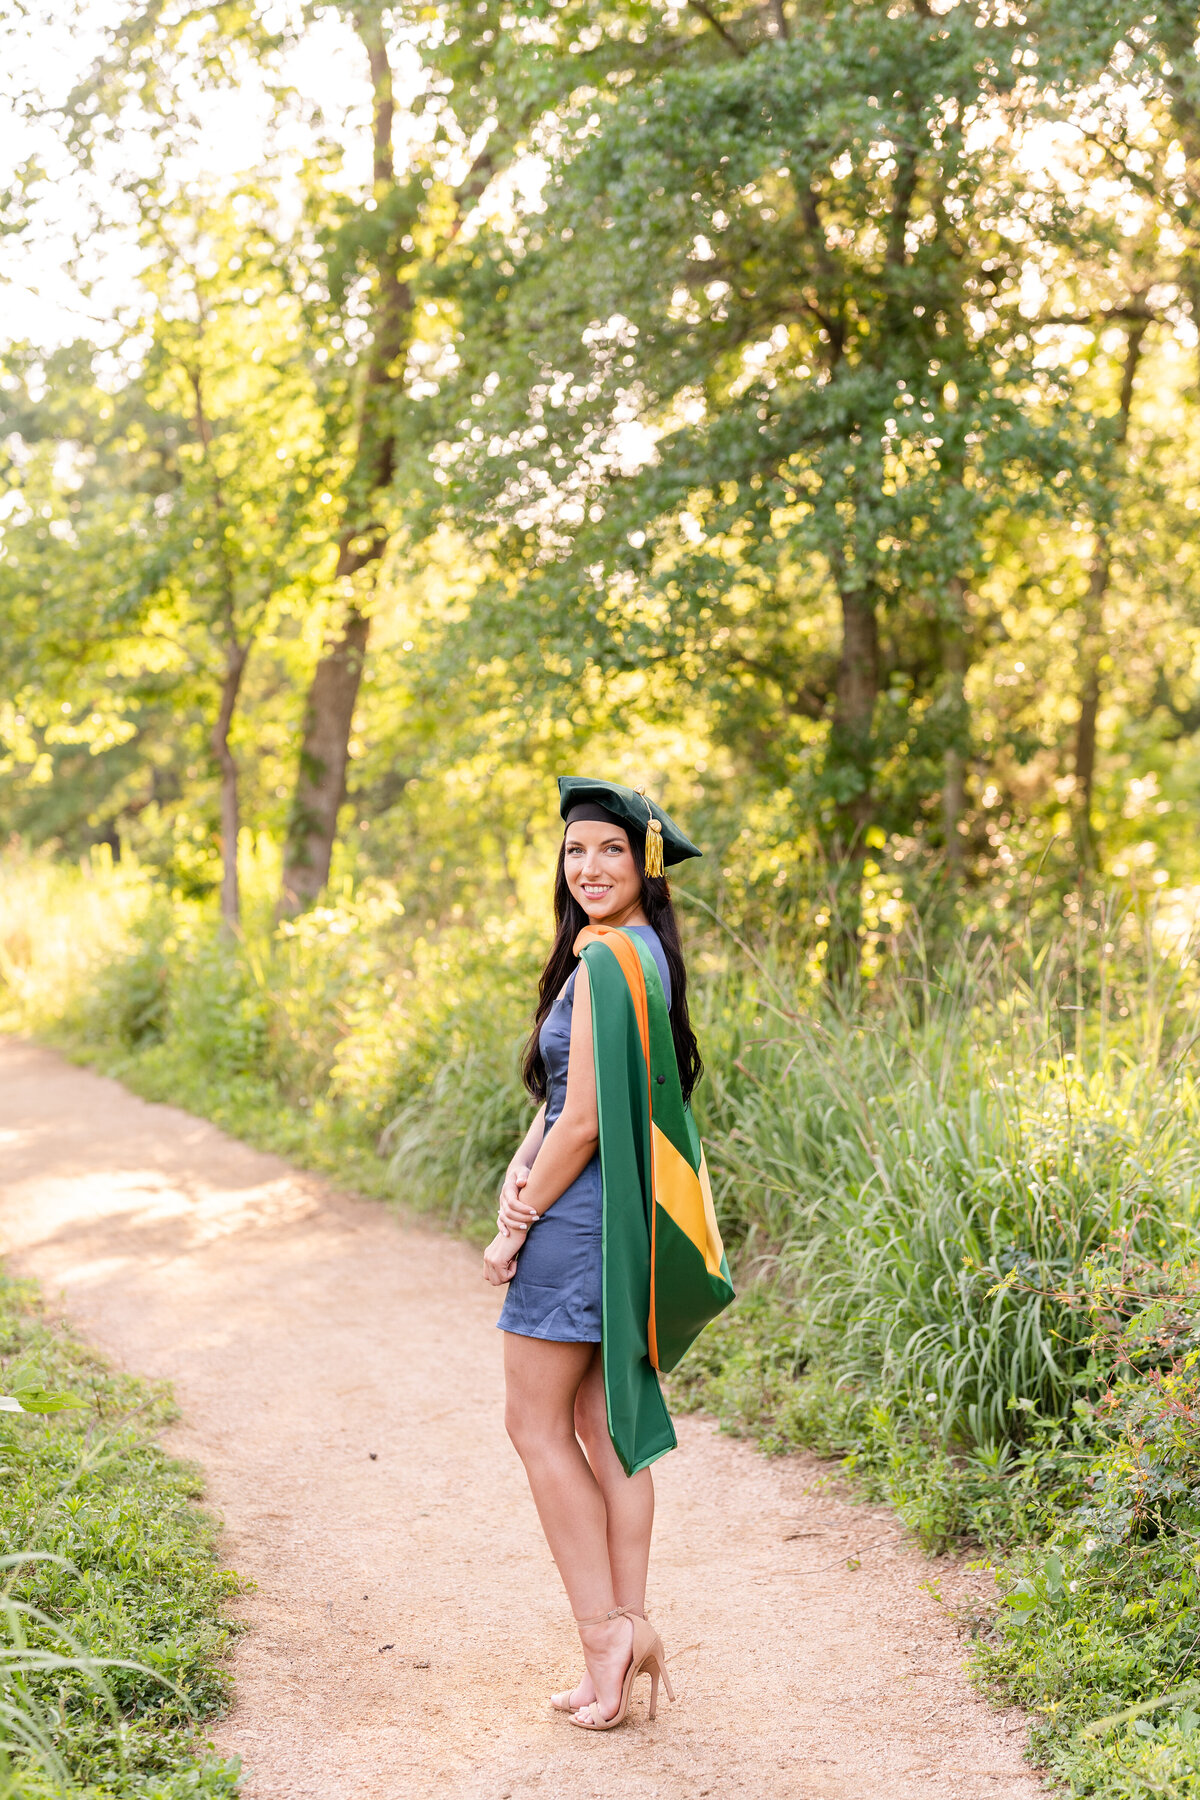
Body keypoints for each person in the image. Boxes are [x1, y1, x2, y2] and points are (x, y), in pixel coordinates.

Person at [483, 777, 733, 1731]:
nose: (588, 866)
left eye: (611, 852)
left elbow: (579, 1121)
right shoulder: (635, 957)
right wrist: (521, 1166)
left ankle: (603, 1638)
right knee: (603, 1422)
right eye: (576, 850)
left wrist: (516, 1226)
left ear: (644, 866)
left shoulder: (601, 966)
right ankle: (626, 1626)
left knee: (536, 1428)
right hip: (610, 1223)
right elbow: (564, 1104)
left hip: (576, 1226)